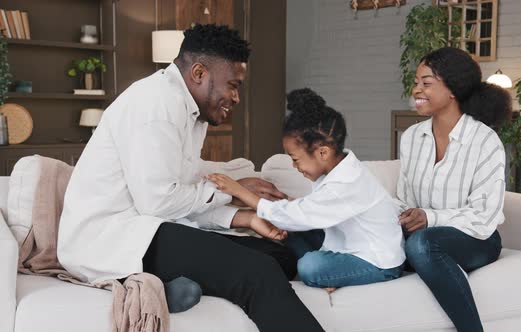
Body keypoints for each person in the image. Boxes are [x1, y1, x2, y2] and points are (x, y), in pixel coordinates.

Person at [57, 24, 325, 331]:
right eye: (233, 85)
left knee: (280, 257)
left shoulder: (193, 112)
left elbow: (186, 196)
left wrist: (244, 216)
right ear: (199, 74)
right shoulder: (154, 104)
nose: (236, 97)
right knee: (258, 271)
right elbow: (159, 201)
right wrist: (233, 191)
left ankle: (173, 283)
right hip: (112, 236)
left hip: (151, 225)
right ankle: (161, 280)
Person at [208, 88, 406, 293]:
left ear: (323, 152)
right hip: (346, 244)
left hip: (378, 262)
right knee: (290, 233)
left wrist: (241, 192)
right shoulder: (334, 170)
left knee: (310, 266)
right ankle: (330, 273)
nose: (295, 166)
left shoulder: (347, 182)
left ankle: (329, 275)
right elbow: (312, 211)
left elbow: (306, 211)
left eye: (295, 159)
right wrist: (290, 205)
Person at [396, 47, 512, 332]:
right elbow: (405, 198)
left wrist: (430, 218)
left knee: (422, 245)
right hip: (422, 234)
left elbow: (484, 215)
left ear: (452, 89)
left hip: (477, 239)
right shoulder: (412, 137)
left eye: (426, 83)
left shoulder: (485, 141)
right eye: (416, 82)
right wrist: (405, 216)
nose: (416, 90)